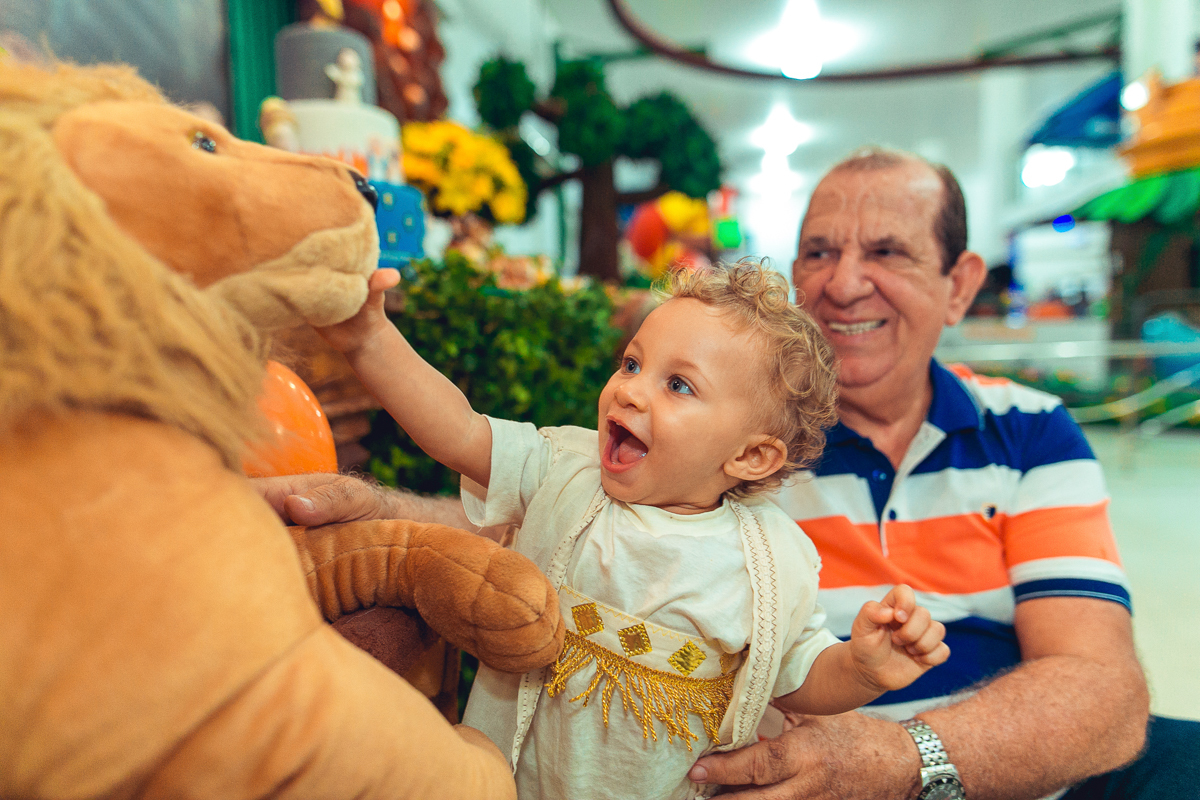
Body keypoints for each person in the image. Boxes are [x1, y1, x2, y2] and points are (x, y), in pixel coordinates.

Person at [309, 258, 949, 800]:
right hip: (514, 780)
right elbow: (460, 431)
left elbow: (802, 676)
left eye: (678, 384)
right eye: (632, 363)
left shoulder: (771, 562)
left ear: (750, 457)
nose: (631, 393)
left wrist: (864, 669)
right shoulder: (565, 468)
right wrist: (370, 340)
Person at [684, 148, 1200, 800]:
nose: (843, 285)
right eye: (818, 254)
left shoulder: (1030, 430)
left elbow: (1100, 688)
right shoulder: (729, 444)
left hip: (1014, 777)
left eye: (887, 252)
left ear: (959, 285)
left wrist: (898, 759)